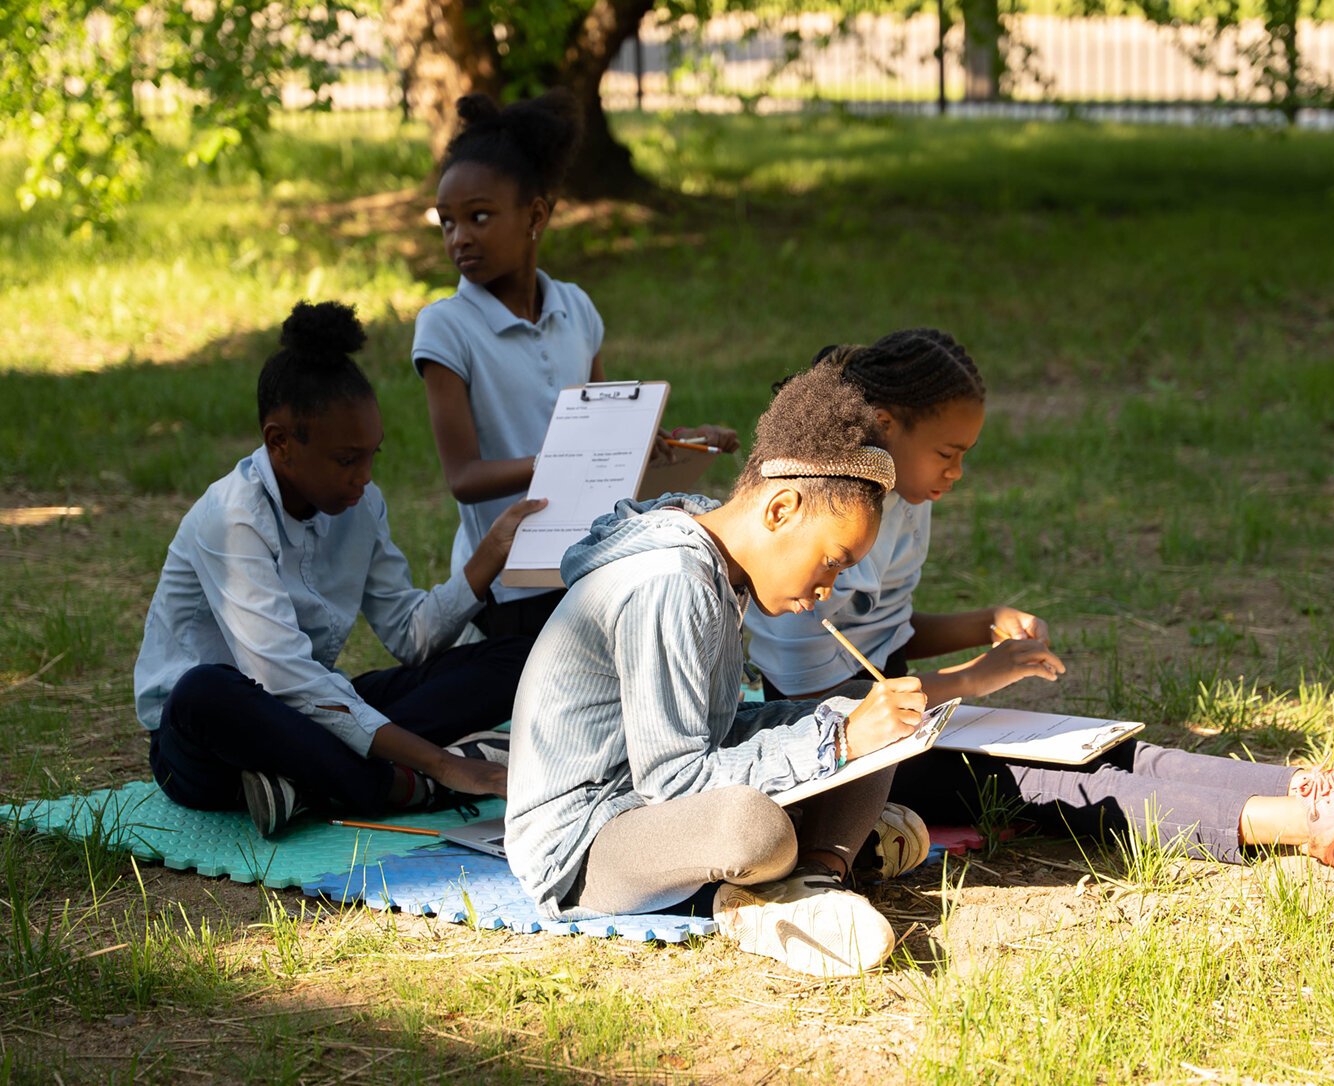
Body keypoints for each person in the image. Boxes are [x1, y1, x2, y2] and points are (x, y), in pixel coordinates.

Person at [746, 329, 1334, 883]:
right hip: (857, 756)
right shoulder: (818, 535)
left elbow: (882, 636)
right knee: (1064, 784)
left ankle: (1331, 793)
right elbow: (821, 700)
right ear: (885, 424)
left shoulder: (895, 507)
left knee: (1113, 751)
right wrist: (971, 678)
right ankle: (1319, 827)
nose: (958, 472)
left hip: (902, 717)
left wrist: (982, 626)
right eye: (947, 453)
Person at [503, 364, 929, 977]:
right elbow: (673, 782)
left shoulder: (721, 568)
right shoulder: (670, 582)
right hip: (587, 845)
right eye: (832, 562)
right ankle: (795, 867)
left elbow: (713, 731)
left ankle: (813, 877)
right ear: (781, 510)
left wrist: (847, 725)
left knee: (857, 702)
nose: (829, 589)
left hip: (658, 805)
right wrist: (836, 744)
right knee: (754, 829)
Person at [134, 301, 543, 838]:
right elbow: (283, 680)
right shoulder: (231, 518)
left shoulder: (362, 505)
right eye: (347, 460)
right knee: (202, 691)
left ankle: (302, 786)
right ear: (280, 444)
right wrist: (445, 764)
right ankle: (402, 784)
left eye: (373, 456)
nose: (364, 476)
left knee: (518, 657)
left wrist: (489, 554)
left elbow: (411, 636)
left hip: (310, 715)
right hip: (210, 743)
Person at [413, 90, 738, 639]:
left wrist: (677, 444)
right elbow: (463, 478)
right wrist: (563, 460)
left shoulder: (576, 307)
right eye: (447, 222)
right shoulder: (446, 327)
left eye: (479, 217)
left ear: (536, 215)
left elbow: (607, 435)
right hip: (511, 585)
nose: (459, 237)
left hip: (592, 558)